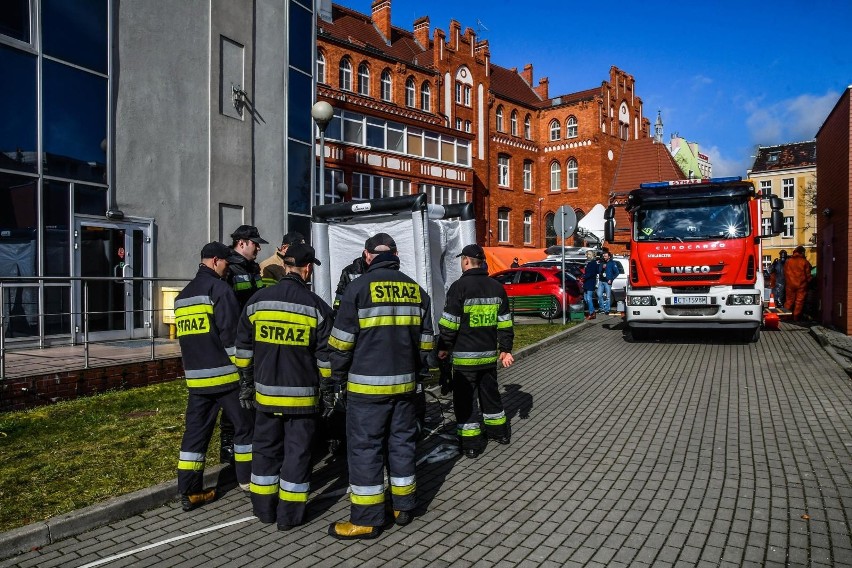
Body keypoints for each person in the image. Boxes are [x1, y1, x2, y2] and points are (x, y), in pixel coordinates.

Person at [326, 233, 433, 539]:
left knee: (366, 450)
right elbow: (427, 343)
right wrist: (420, 373)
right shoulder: (416, 291)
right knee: (402, 444)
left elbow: (341, 344)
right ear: (395, 254)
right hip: (405, 388)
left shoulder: (358, 288)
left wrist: (337, 380)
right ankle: (403, 506)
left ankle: (367, 519)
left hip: (366, 390)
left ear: (368, 255)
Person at [234, 243, 334, 530]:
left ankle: (264, 510)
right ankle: (289, 516)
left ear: (285, 265)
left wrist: (246, 384)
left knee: (265, 450)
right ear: (307, 269)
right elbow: (326, 358)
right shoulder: (316, 307)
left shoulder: (257, 302)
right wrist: (328, 392)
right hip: (301, 400)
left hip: (265, 395)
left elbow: (243, 349)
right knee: (297, 454)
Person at [174, 242, 253, 511]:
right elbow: (231, 338)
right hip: (226, 378)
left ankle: (190, 492)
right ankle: (248, 483)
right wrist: (245, 372)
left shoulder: (183, 296)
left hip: (196, 381)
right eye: (226, 263)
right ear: (215, 261)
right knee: (245, 428)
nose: (228, 267)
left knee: (195, 437)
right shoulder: (220, 290)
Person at [437, 243, 514, 459]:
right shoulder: (496, 287)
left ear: (466, 261)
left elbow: (449, 324)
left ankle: (471, 444)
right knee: (490, 397)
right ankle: (500, 433)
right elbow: (505, 323)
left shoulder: (458, 288)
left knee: (466, 402)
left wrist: (443, 347)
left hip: (464, 361)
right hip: (489, 358)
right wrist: (506, 349)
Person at [220, 224, 268, 465]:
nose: (258, 247)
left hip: (254, 338)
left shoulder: (253, 268)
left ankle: (249, 437)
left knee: (250, 390)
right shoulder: (229, 268)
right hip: (236, 340)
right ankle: (228, 443)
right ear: (241, 243)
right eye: (255, 243)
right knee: (235, 392)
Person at [783, 245, 812, 321]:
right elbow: (808, 274)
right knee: (799, 302)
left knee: (789, 301)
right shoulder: (804, 262)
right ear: (802, 252)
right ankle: (796, 318)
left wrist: (787, 281)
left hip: (790, 285)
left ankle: (786, 317)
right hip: (801, 285)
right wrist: (809, 282)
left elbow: (785, 273)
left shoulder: (788, 261)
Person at [597, 250, 619, 315]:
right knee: (599, 294)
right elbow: (599, 270)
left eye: (605, 256)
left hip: (607, 282)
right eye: (603, 256)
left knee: (608, 297)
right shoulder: (602, 262)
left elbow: (617, 272)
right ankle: (601, 309)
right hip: (601, 281)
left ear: (609, 257)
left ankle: (607, 309)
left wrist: (611, 279)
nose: (604, 257)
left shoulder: (612, 263)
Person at [582, 249, 599, 320]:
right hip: (586, 282)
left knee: (589, 298)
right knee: (586, 298)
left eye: (588, 254)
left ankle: (592, 313)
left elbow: (592, 273)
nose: (586, 256)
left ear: (591, 255)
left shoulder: (593, 263)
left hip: (590, 282)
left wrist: (584, 276)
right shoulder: (589, 263)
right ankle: (591, 311)